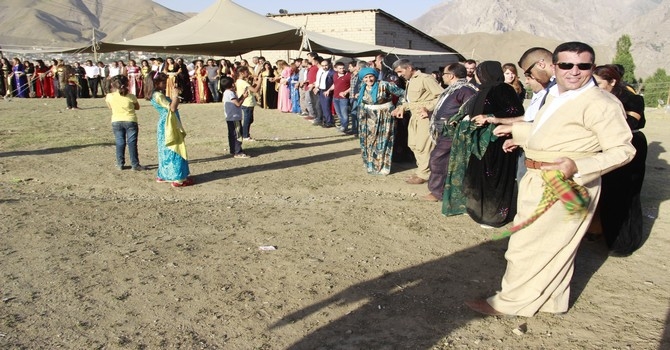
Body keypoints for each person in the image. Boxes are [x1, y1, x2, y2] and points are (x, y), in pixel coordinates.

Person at [466, 42, 635, 317]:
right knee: (553, 243)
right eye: (567, 65)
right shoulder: (558, 95)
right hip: (540, 175)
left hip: (564, 181)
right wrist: (519, 138)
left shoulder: (600, 103)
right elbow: (547, 130)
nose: (575, 71)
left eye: (584, 66)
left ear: (592, 67)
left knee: (527, 244)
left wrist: (578, 165)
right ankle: (551, 301)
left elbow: (624, 150)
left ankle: (510, 303)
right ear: (555, 66)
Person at [593, 64, 648, 256]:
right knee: (604, 191)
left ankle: (623, 242)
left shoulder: (632, 99)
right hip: (605, 147)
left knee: (624, 194)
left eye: (599, 83)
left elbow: (630, 124)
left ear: (613, 81)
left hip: (630, 146)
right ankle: (600, 231)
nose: (595, 86)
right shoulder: (597, 98)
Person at [461, 61, 525, 228]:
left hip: (498, 142)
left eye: (479, 73)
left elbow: (515, 112)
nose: (476, 76)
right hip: (482, 142)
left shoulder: (503, 89)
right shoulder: (484, 90)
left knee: (495, 178)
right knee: (480, 175)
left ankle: (493, 215)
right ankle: (479, 211)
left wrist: (489, 117)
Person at [420, 63, 477, 203]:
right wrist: (430, 114)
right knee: (441, 160)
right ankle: (441, 190)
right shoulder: (452, 90)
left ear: (451, 75)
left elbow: (470, 111)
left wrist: (455, 122)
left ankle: (437, 192)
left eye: (444, 74)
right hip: (443, 131)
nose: (442, 76)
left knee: (437, 159)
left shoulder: (465, 90)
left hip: (452, 133)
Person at [390, 58, 444, 185]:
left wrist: (428, 108)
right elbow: (412, 101)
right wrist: (402, 107)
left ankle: (424, 174)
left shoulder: (425, 79)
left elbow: (442, 96)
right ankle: (422, 169)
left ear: (409, 68)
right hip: (414, 117)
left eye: (400, 71)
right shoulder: (410, 81)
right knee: (413, 145)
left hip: (425, 117)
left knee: (423, 146)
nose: (399, 75)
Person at [356, 67, 405, 175]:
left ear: (375, 76)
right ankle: (370, 165)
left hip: (384, 118)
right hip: (367, 118)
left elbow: (403, 93)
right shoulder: (362, 87)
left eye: (371, 76)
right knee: (368, 142)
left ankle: (382, 167)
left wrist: (399, 107)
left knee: (382, 141)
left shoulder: (385, 85)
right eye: (366, 77)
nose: (369, 79)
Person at [150, 73, 192, 188]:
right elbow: (172, 108)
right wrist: (175, 96)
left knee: (165, 149)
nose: (165, 85)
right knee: (175, 148)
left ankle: (164, 174)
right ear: (156, 83)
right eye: (163, 82)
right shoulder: (158, 95)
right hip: (168, 123)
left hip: (167, 122)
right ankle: (178, 178)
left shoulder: (157, 95)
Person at [105, 75, 144, 171]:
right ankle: (135, 164)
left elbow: (110, 107)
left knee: (119, 142)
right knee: (132, 143)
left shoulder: (109, 96)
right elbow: (137, 107)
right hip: (130, 120)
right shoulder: (131, 96)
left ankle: (120, 163)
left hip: (116, 120)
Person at [221, 76, 252, 159]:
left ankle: (233, 150)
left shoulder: (227, 92)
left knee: (232, 134)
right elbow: (238, 104)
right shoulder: (230, 93)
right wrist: (244, 97)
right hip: (234, 117)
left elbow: (237, 101)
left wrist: (242, 96)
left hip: (231, 117)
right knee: (237, 134)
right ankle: (238, 152)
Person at [235, 66, 260, 141]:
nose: (248, 73)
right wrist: (260, 81)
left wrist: (254, 83)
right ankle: (245, 135)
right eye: (246, 72)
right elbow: (255, 90)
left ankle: (245, 133)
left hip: (248, 102)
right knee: (247, 119)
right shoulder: (242, 82)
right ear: (241, 73)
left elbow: (251, 89)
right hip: (247, 102)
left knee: (250, 119)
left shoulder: (240, 81)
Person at [331, 61, 352, 133]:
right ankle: (342, 125)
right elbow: (335, 84)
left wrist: (345, 92)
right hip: (335, 97)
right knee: (339, 113)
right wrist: (328, 90)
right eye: (340, 68)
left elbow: (352, 86)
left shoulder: (348, 75)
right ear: (336, 69)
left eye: (343, 68)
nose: (342, 70)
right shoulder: (335, 75)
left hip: (343, 98)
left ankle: (344, 127)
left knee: (344, 113)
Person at [315, 59, 336, 128]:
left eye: (326, 65)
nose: (324, 67)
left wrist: (329, 90)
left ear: (329, 65)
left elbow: (335, 83)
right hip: (321, 90)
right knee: (322, 107)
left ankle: (329, 122)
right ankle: (325, 120)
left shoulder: (332, 73)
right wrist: (317, 88)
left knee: (326, 107)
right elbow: (319, 81)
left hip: (327, 91)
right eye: (323, 66)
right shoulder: (321, 71)